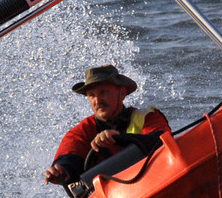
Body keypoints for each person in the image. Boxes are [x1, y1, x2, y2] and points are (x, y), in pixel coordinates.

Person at [44, 65, 172, 186]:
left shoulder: (147, 116)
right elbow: (69, 159)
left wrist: (120, 138)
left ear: (122, 93)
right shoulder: (81, 131)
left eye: (103, 92)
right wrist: (61, 171)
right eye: (92, 95)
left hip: (153, 181)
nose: (97, 101)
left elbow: (162, 141)